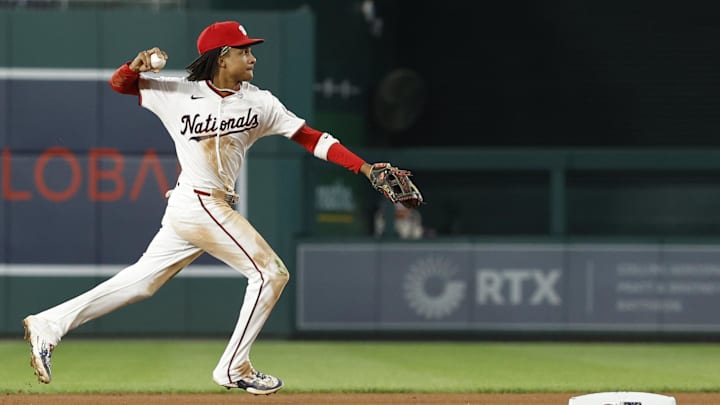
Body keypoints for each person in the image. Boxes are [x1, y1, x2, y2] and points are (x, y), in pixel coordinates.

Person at [22, 20, 379, 395]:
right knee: (271, 273)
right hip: (198, 203)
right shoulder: (177, 92)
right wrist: (134, 66)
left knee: (142, 282)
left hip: (198, 207)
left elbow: (311, 138)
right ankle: (234, 366)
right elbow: (121, 85)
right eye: (244, 51)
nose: (252, 57)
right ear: (223, 57)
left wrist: (365, 168)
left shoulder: (260, 102)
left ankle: (49, 324)